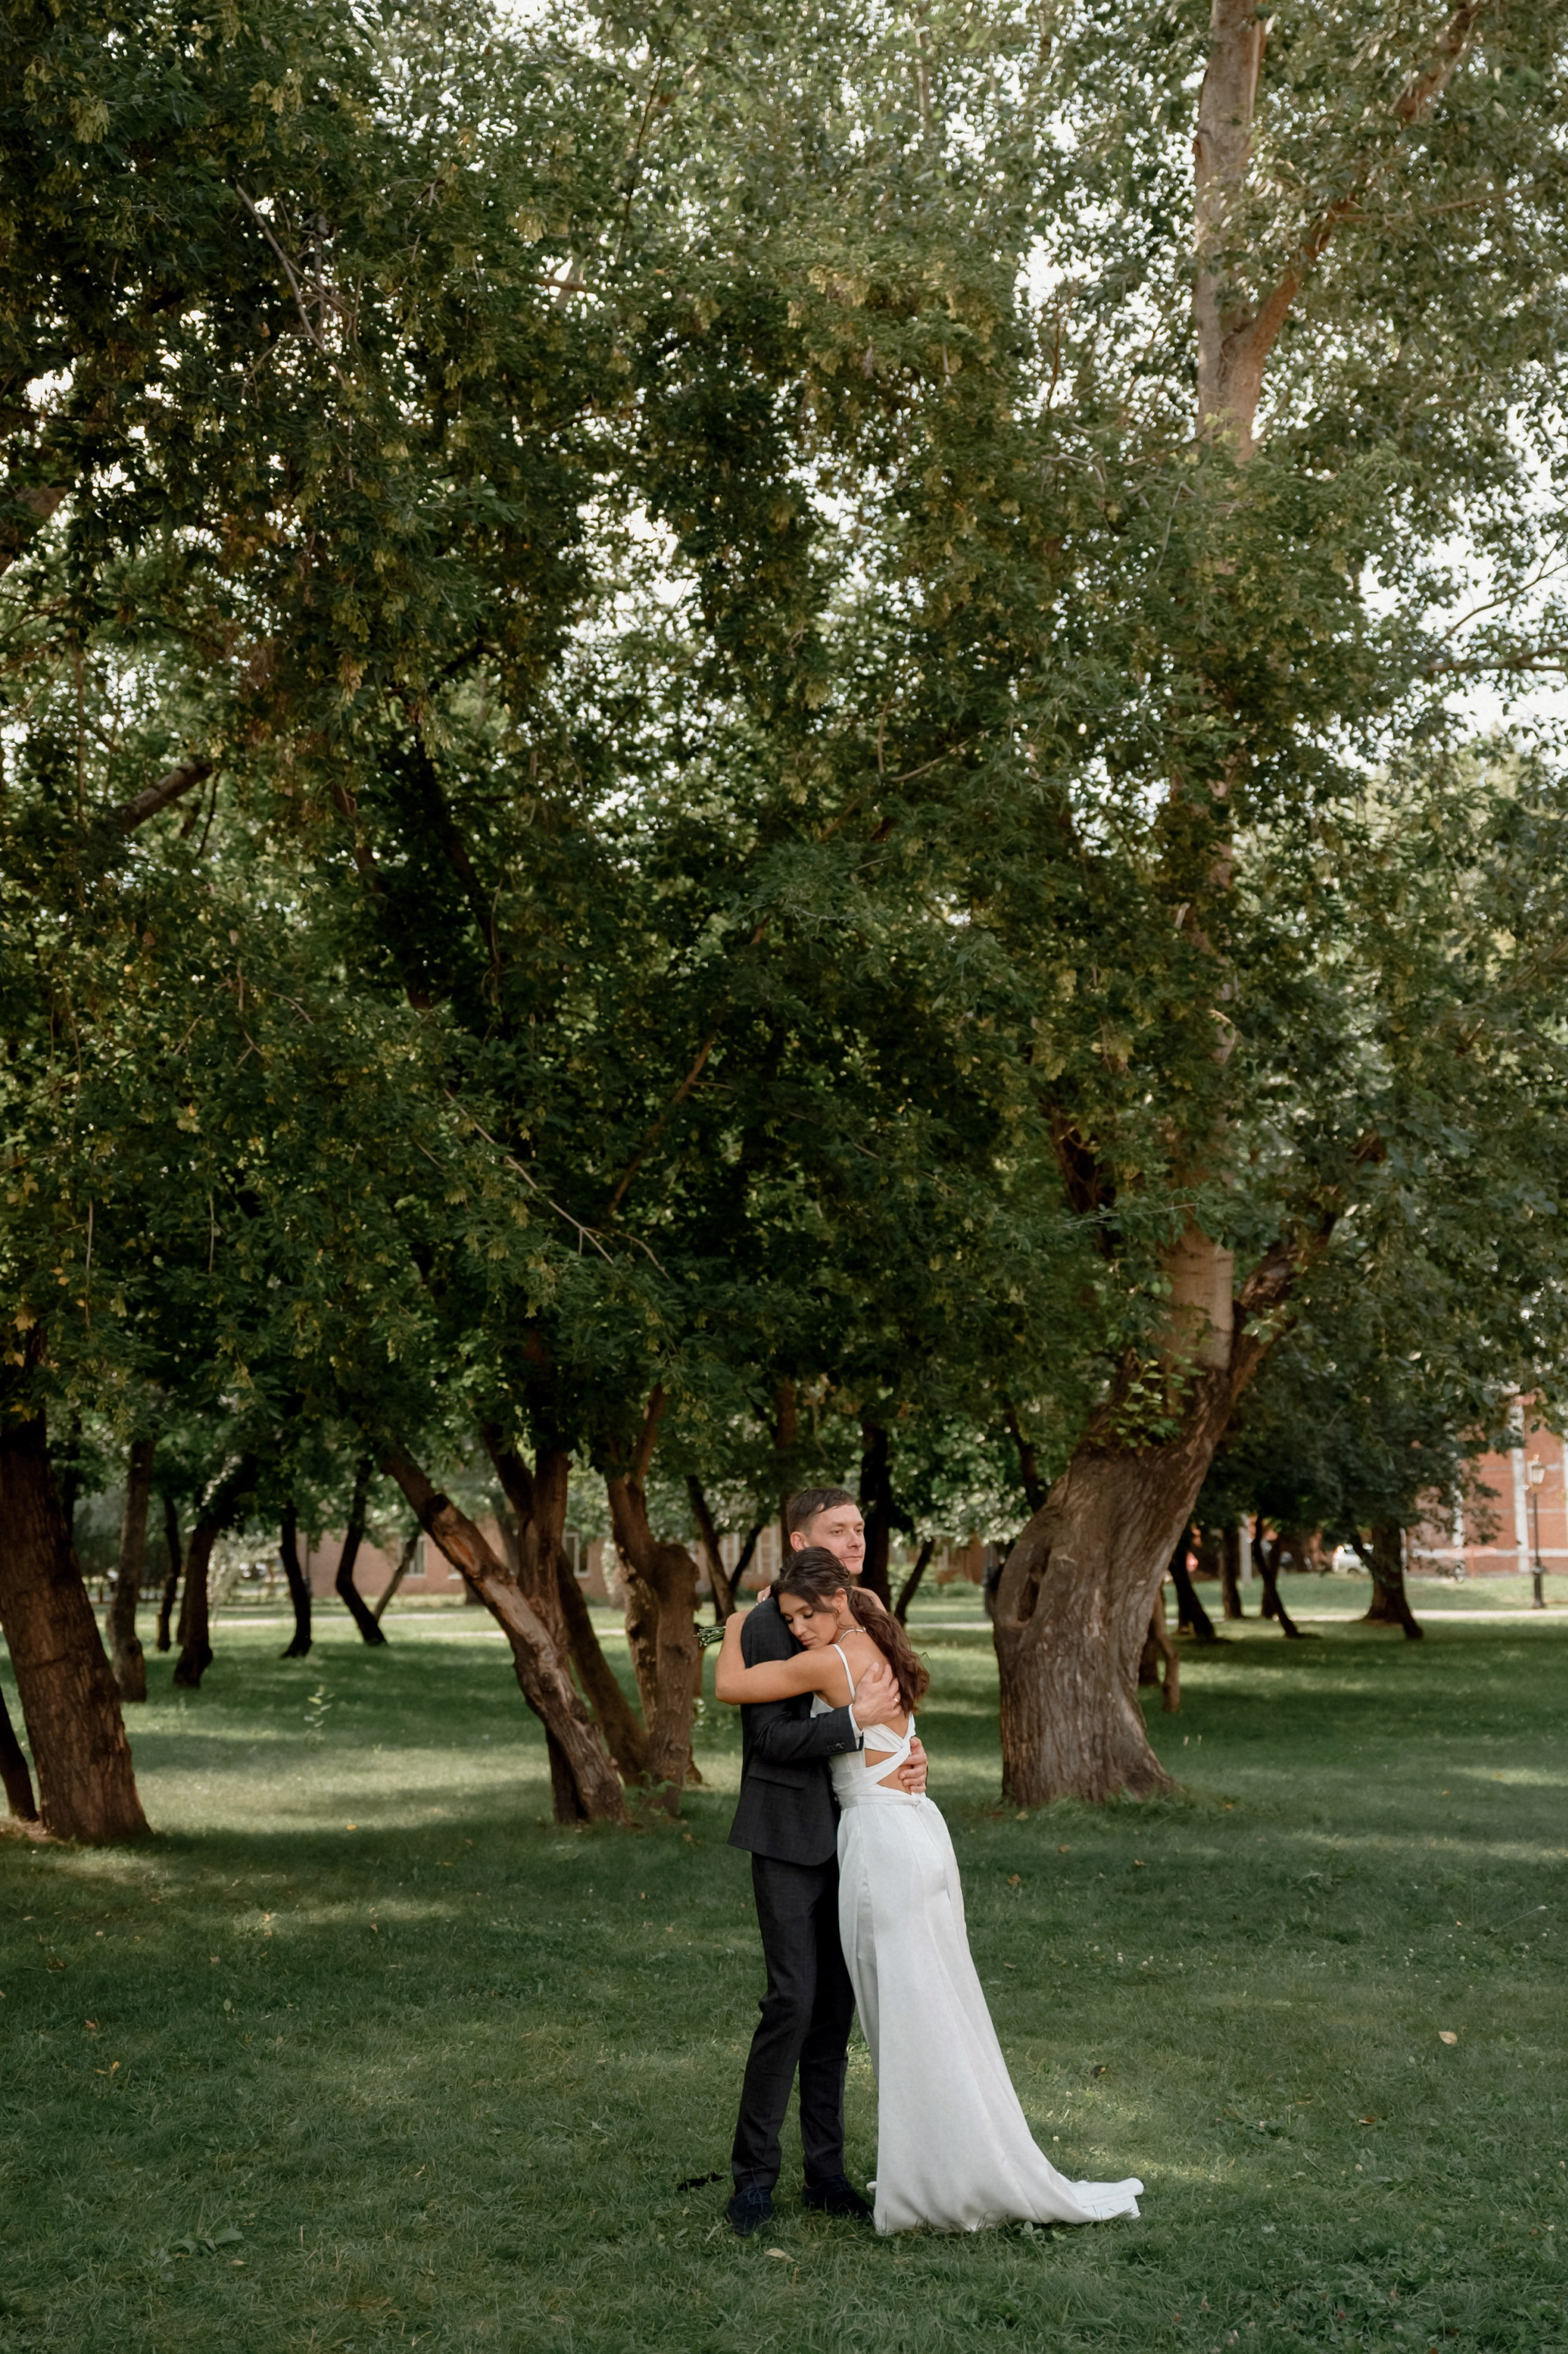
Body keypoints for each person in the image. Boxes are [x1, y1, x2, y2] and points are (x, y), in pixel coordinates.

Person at [717, 1547, 1145, 2236]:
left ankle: (912, 2170)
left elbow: (732, 1684)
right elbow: (784, 1729)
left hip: (880, 1839)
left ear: (836, 1599)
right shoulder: (858, 1629)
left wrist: (734, 1626)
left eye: (805, 1615)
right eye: (840, 1530)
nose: (795, 1627)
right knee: (910, 2002)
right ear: (802, 1545)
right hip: (887, 1832)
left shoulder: (833, 1648)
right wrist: (748, 1623)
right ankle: (794, 2175)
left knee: (903, 2012)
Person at [723, 1488, 925, 2238]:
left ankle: (827, 2174)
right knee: (792, 2002)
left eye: (859, 1530)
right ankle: (753, 2180)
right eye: (837, 1531)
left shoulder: (862, 1605)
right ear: (798, 1537)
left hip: (865, 1835)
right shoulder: (769, 1621)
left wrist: (905, 1750)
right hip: (785, 1834)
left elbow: (896, 1689)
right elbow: (767, 1737)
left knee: (836, 2012)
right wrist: (851, 1725)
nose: (855, 1541)